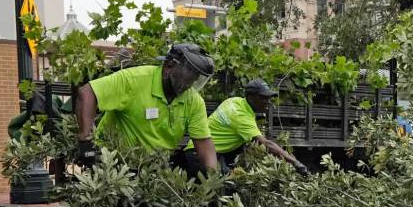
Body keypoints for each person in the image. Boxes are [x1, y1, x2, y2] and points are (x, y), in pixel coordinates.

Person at [74, 43, 218, 176]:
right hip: (114, 167)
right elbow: (87, 93)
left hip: (155, 172)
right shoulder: (134, 80)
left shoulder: (193, 100)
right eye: (186, 79)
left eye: (194, 81)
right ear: (169, 66)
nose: (189, 86)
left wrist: (213, 179)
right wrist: (86, 143)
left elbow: (204, 142)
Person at [185, 78, 309, 176]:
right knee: (223, 191)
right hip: (201, 153)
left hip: (201, 149)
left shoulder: (234, 101)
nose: (268, 101)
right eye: (263, 97)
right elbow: (266, 144)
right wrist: (295, 162)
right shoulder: (242, 117)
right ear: (250, 97)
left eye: (268, 97)